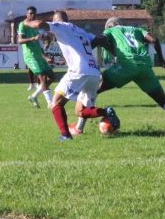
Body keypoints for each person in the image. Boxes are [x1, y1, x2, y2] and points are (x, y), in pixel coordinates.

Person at [73, 17, 165, 137]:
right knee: (163, 100)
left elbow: (99, 40)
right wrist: (161, 60)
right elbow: (154, 40)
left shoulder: (110, 31)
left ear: (108, 26)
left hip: (126, 66)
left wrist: (85, 54)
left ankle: (79, 129)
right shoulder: (136, 29)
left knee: (90, 89)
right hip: (145, 67)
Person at [24, 11, 120, 141]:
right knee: (81, 111)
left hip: (78, 70)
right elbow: (99, 39)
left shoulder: (61, 26)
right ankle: (106, 112)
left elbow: (40, 24)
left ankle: (65, 135)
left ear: (57, 20)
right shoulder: (81, 31)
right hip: (94, 71)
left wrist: (27, 22)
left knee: (55, 103)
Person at [17, 6, 55, 108]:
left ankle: (34, 96)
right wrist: (33, 38)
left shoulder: (35, 27)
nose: (32, 15)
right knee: (43, 78)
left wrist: (46, 56)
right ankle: (50, 103)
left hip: (39, 55)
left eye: (34, 13)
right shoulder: (22, 25)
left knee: (52, 77)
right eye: (30, 13)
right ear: (26, 14)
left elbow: (38, 43)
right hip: (31, 56)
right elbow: (20, 40)